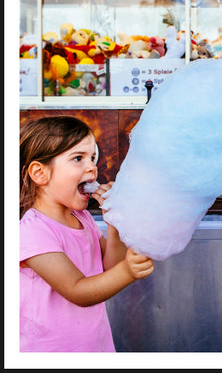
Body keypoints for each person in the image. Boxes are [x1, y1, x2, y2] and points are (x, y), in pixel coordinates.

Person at [19, 115, 154, 352]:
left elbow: (107, 270)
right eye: (78, 158)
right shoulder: (32, 232)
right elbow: (78, 290)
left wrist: (115, 224)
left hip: (94, 346)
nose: (92, 166)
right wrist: (128, 271)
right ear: (40, 173)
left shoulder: (82, 218)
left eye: (93, 157)